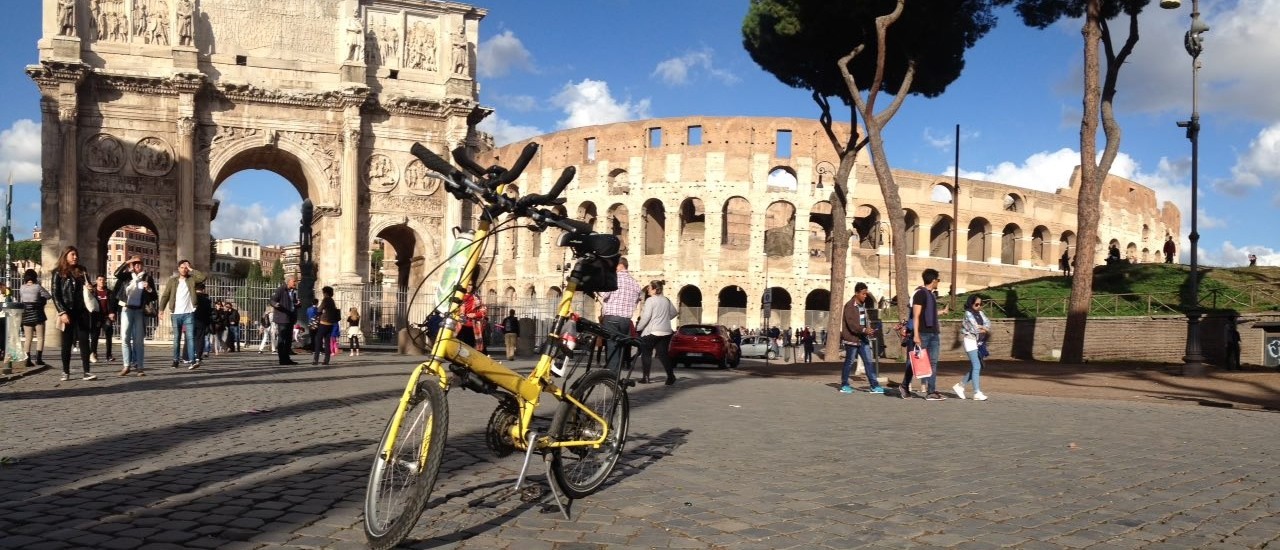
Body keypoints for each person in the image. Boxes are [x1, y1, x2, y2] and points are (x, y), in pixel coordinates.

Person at [900, 268, 950, 401]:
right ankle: (904, 386)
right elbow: (916, 316)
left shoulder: (931, 295)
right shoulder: (920, 294)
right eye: (938, 280)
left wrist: (942, 312)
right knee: (915, 361)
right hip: (922, 333)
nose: (938, 282)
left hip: (933, 333)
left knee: (932, 362)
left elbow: (930, 313)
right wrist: (916, 335)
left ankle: (931, 392)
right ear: (933, 280)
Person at [51, 246, 97, 381]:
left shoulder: (82, 271)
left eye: (76, 254)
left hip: (81, 310)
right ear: (65, 256)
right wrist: (61, 312)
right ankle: (65, 371)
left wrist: (91, 289)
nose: (75, 257)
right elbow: (55, 294)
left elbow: (90, 290)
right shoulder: (58, 272)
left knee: (84, 341)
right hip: (67, 311)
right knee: (66, 342)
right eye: (72, 254)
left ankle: (87, 371)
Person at [112, 256, 156, 376]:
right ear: (132, 265)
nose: (137, 265)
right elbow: (116, 273)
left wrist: (149, 288)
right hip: (126, 309)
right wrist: (126, 263)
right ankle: (126, 366)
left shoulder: (147, 277)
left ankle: (140, 367)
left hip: (139, 311)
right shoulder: (126, 276)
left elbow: (154, 296)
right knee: (125, 338)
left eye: (139, 263)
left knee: (138, 340)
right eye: (135, 264)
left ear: (142, 265)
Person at [597, 257, 642, 374]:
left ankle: (611, 375)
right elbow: (637, 301)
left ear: (619, 266)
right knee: (621, 347)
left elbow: (604, 295)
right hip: (626, 320)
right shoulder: (635, 284)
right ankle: (616, 377)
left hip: (612, 317)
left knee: (612, 347)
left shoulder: (614, 279)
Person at [159, 259, 205, 369]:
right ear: (178, 268)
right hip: (175, 313)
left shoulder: (192, 279)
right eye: (182, 267)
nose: (184, 269)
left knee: (190, 338)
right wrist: (161, 310)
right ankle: (175, 360)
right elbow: (165, 295)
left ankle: (193, 361)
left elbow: (203, 277)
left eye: (186, 267)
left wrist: (191, 269)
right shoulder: (172, 281)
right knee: (177, 339)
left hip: (189, 313)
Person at [840, 283, 883, 394]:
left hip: (863, 339)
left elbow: (863, 322)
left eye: (866, 294)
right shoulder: (849, 305)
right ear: (856, 293)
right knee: (849, 362)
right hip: (852, 338)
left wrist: (868, 329)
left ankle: (874, 385)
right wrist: (864, 330)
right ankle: (844, 384)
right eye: (863, 294)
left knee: (868, 362)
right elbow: (851, 324)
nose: (865, 296)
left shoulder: (862, 306)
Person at [635, 280, 678, 385]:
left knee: (646, 353)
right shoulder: (666, 300)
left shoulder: (650, 300)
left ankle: (646, 377)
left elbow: (646, 317)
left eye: (649, 288)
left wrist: (638, 328)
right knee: (663, 355)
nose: (648, 290)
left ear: (655, 289)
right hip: (666, 331)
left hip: (652, 331)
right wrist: (664, 319)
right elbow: (674, 312)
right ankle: (671, 376)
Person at [954, 294, 990, 401]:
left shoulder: (980, 313)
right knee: (977, 366)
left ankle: (960, 386)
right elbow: (974, 328)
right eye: (976, 304)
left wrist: (983, 328)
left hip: (978, 342)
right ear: (971, 304)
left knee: (979, 366)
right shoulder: (968, 314)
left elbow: (988, 323)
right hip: (970, 341)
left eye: (981, 304)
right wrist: (983, 328)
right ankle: (976, 392)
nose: (979, 306)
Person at [19, 269, 52, 368]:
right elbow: (48, 296)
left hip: (26, 314)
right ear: (34, 277)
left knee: (28, 338)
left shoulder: (21, 287)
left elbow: (23, 299)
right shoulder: (38, 287)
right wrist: (40, 299)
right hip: (37, 314)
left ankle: (27, 359)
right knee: (40, 337)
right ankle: (38, 359)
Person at [271, 276, 301, 365]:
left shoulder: (293, 292)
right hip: (282, 318)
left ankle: (287, 358)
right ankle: (282, 359)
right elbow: (272, 300)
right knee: (282, 339)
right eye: (294, 281)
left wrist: (298, 304)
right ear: (288, 282)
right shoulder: (281, 290)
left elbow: (293, 304)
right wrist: (275, 304)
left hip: (290, 318)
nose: (295, 283)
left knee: (288, 340)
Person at [88, 275, 115, 363]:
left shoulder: (109, 292)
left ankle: (109, 355)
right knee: (94, 336)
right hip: (96, 316)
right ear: (96, 281)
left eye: (103, 280)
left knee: (109, 336)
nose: (102, 281)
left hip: (106, 316)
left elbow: (112, 304)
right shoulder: (92, 292)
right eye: (100, 280)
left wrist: (112, 312)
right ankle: (94, 354)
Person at [313, 286, 340, 365]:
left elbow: (319, 309)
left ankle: (316, 359)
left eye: (323, 292)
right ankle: (326, 360)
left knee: (318, 341)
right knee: (327, 342)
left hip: (323, 323)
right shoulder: (332, 301)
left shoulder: (326, 300)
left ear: (325, 293)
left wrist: (319, 312)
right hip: (330, 324)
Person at [457, 280, 486, 349]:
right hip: (459, 325)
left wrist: (475, 314)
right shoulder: (458, 296)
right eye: (467, 284)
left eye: (470, 285)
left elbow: (484, 310)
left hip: (472, 326)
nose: (469, 287)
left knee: (470, 346)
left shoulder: (476, 297)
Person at [192, 283, 213, 367]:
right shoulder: (207, 300)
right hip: (202, 322)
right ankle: (198, 356)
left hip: (191, 319)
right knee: (200, 339)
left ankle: (188, 356)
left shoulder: (192, 298)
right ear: (203, 289)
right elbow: (209, 313)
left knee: (190, 338)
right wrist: (208, 323)